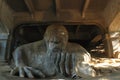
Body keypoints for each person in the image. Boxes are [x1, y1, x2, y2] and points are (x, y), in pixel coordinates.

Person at [10, 24, 96, 79]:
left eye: (61, 36)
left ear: (67, 39)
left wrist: (78, 61)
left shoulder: (74, 47)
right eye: (51, 38)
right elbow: (19, 50)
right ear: (45, 38)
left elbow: (86, 54)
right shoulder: (38, 46)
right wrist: (20, 64)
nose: (55, 41)